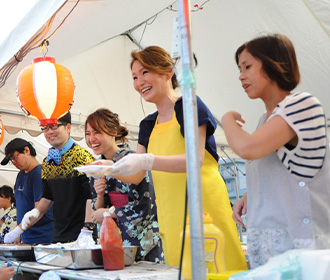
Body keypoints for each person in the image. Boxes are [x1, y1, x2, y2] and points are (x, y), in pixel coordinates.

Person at [109, 46, 247, 270]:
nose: (139, 81)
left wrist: (148, 160)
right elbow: (135, 176)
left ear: (167, 72)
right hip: (170, 214)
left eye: (145, 72)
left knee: (219, 267)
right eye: (135, 77)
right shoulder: (147, 124)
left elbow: (196, 159)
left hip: (204, 206)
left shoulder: (188, 106)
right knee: (182, 269)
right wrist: (108, 167)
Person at [222, 33, 330, 268]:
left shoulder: (302, 105)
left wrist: (226, 119)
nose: (241, 76)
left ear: (273, 63)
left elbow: (247, 148)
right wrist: (253, 194)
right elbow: (289, 168)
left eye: (247, 66)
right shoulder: (265, 120)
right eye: (239, 69)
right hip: (271, 249)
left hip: (299, 249)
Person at [84, 108, 163, 262]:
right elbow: (97, 211)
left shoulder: (132, 160)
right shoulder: (96, 167)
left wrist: (108, 213)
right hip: (111, 239)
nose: (92, 138)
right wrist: (100, 195)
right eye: (88, 133)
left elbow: (146, 204)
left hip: (140, 242)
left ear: (113, 132)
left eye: (97, 132)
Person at [4, 112, 96, 243]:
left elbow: (91, 197)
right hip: (57, 235)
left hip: (81, 234)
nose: (49, 132)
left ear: (68, 127)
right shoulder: (48, 161)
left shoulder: (82, 157)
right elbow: (47, 197)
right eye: (45, 128)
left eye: (54, 127)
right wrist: (28, 219)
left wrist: (87, 228)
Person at [0, 138, 54, 244]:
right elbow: (21, 205)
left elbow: (39, 210)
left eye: (15, 157)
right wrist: (19, 233)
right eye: (11, 161)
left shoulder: (39, 174)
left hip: (42, 237)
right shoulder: (20, 175)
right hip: (26, 237)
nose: (14, 162)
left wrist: (18, 230)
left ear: (26, 150)